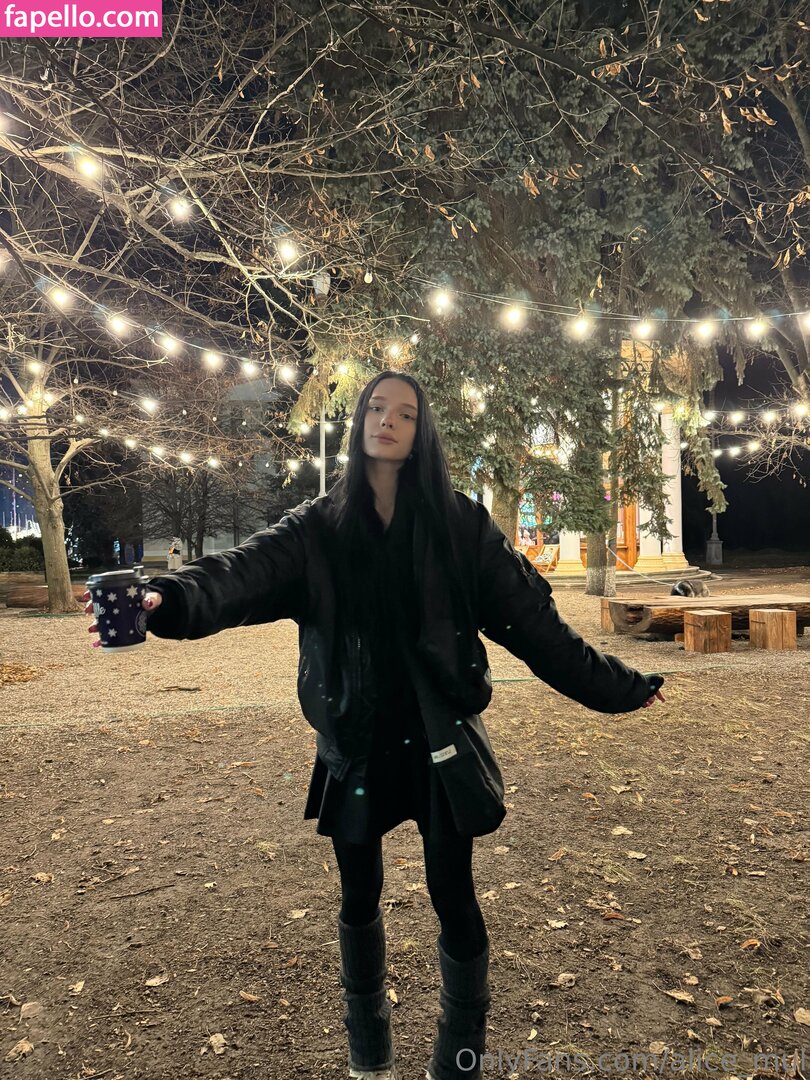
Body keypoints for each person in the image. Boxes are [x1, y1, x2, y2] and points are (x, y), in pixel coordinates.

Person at [84, 372, 665, 1080]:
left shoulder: (459, 526)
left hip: (440, 745)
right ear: (359, 422)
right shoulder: (318, 528)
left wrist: (619, 686)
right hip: (354, 746)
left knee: (454, 898)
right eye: (377, 408)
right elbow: (236, 576)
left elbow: (535, 626)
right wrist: (165, 600)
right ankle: (370, 1058)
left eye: (406, 413)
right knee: (358, 898)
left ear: (422, 435)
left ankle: (458, 1063)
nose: (387, 420)